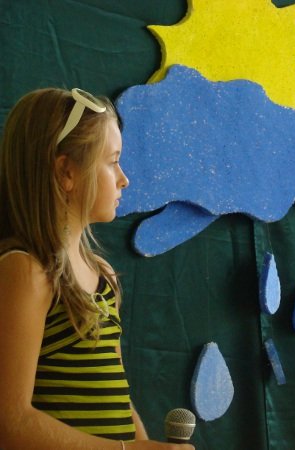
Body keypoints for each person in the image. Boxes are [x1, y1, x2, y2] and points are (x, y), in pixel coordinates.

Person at [0, 88, 194, 449]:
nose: (124, 179)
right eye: (112, 161)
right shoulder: (26, 272)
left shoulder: (103, 275)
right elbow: (11, 421)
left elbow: (119, 396)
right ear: (66, 172)